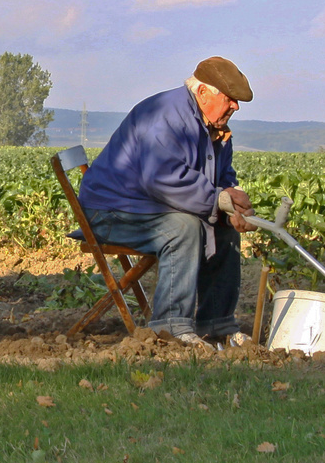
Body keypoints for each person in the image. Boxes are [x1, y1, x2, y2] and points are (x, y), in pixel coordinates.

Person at [78, 57, 255, 347]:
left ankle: (217, 324)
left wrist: (230, 201)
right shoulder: (165, 117)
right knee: (183, 227)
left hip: (146, 206)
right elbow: (161, 177)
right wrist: (217, 199)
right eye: (230, 99)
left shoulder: (215, 126)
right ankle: (170, 327)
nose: (235, 106)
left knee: (224, 229)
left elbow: (222, 176)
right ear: (202, 93)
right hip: (111, 211)